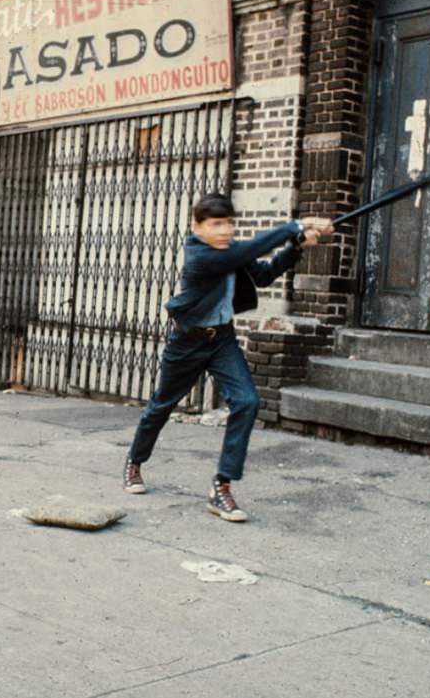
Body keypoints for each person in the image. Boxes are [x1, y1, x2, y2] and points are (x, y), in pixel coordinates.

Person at [122, 194, 332, 522]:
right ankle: (135, 462)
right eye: (216, 224)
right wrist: (297, 226)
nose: (224, 231)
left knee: (247, 402)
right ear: (197, 227)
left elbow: (262, 275)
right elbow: (247, 252)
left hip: (221, 340)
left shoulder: (231, 252)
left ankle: (221, 486)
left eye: (229, 224)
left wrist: (297, 247)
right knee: (162, 406)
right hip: (188, 342)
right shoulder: (201, 255)